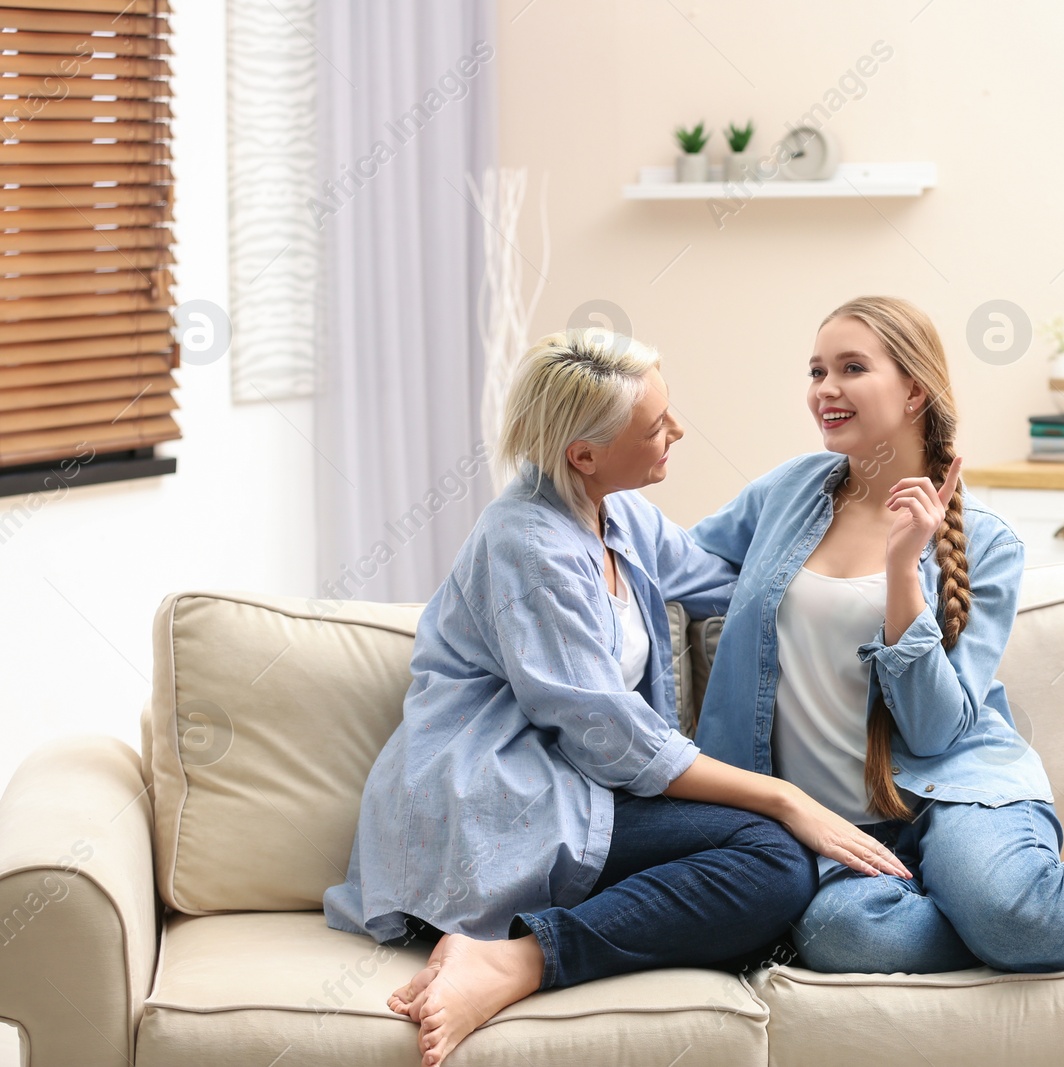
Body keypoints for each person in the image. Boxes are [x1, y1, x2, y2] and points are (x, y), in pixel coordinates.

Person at [323, 328, 911, 1067]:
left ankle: (515, 948)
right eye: (656, 427)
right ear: (584, 454)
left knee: (773, 863)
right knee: (775, 859)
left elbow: (731, 587)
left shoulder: (619, 513)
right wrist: (784, 797)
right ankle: (518, 961)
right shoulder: (530, 545)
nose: (678, 432)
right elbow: (610, 736)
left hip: (575, 786)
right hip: (497, 795)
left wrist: (873, 589)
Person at [688, 296, 1064, 975]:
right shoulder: (788, 492)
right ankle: (1048, 914)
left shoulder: (986, 542)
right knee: (845, 936)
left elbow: (936, 733)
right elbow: (675, 563)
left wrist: (901, 573)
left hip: (959, 788)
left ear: (914, 388)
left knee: (1010, 912)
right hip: (837, 827)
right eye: (816, 370)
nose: (825, 390)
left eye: (851, 367)